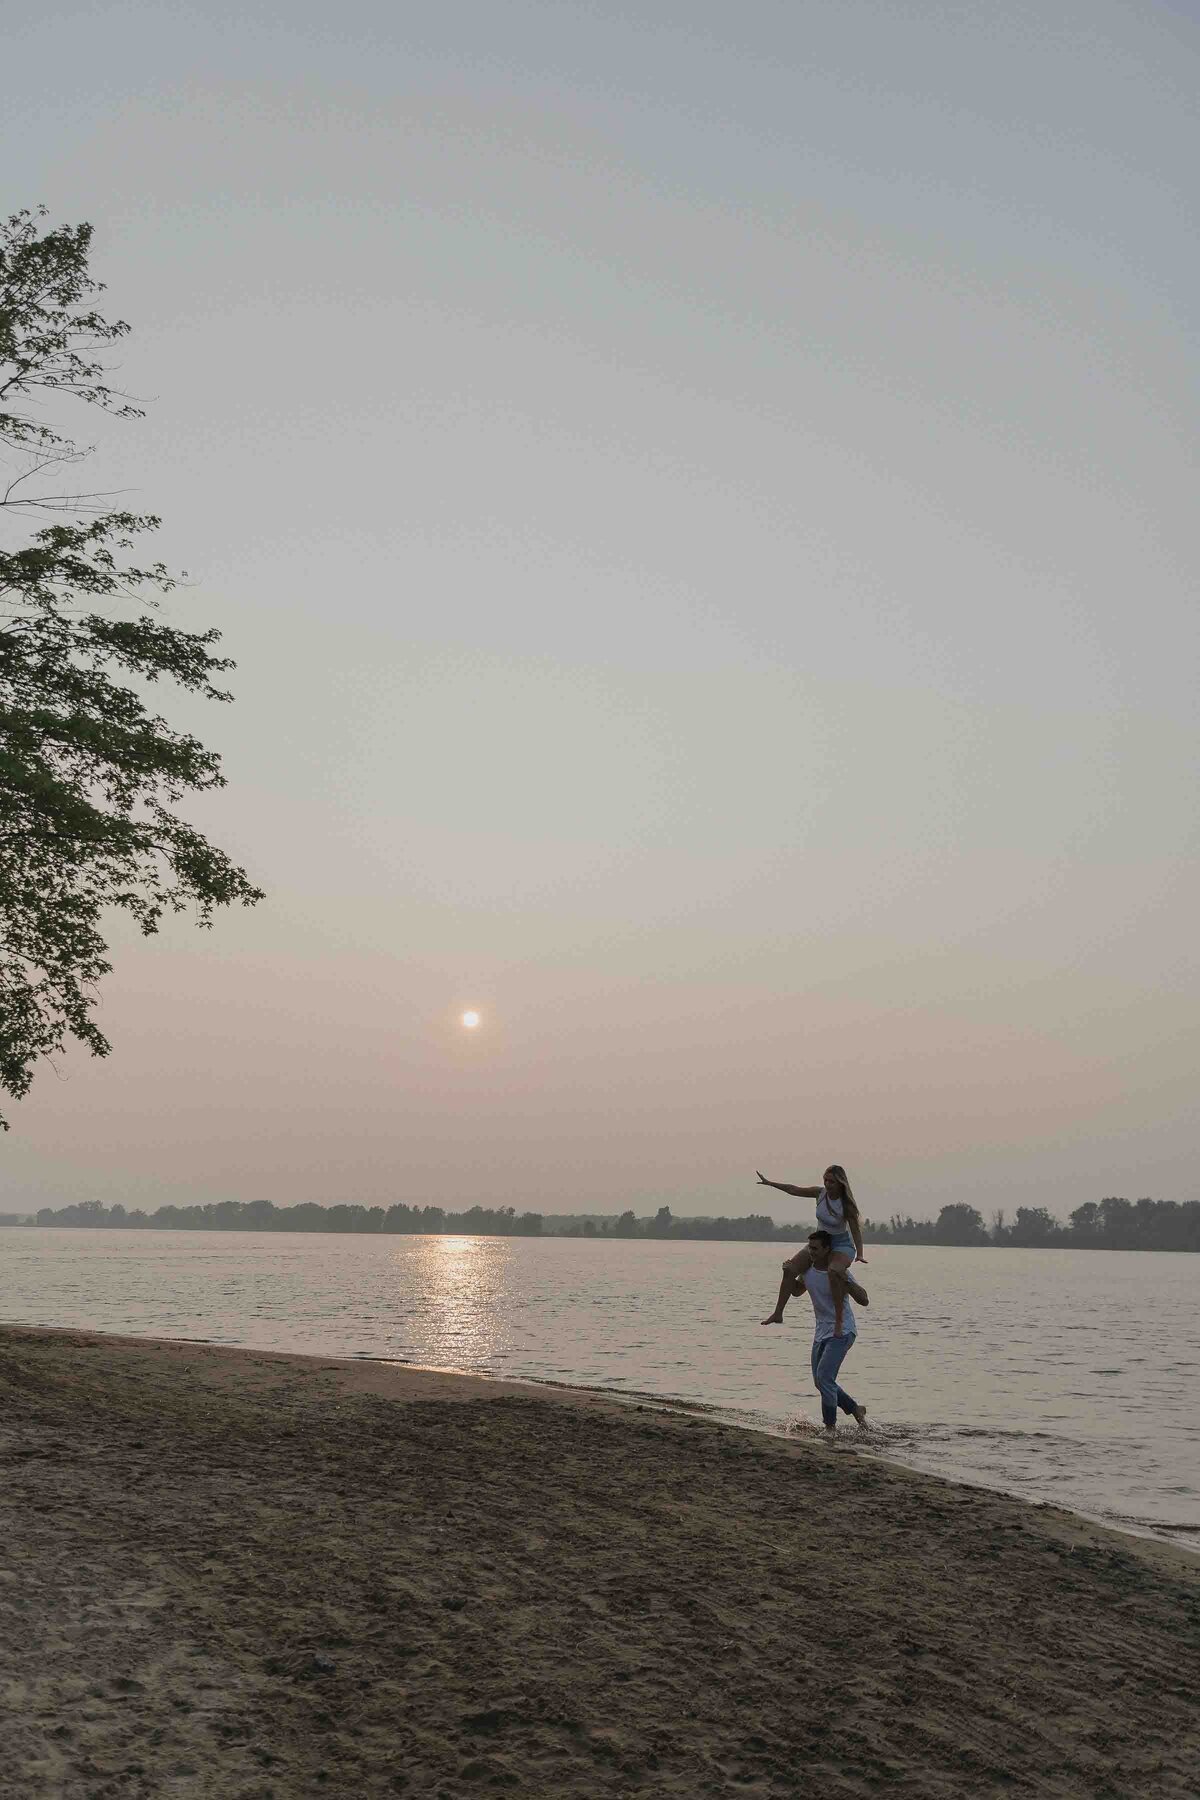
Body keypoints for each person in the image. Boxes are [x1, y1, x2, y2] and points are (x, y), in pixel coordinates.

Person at [758, 1163, 865, 1329]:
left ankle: (838, 1320)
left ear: (840, 1183)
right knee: (790, 1269)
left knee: (834, 1271)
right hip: (819, 1242)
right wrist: (771, 1183)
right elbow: (793, 1189)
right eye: (825, 1180)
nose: (827, 1184)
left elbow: (856, 1231)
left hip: (840, 1245)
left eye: (831, 1182)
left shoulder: (846, 1204)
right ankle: (778, 1313)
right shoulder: (819, 1193)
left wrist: (860, 1253)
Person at [794, 1228, 869, 1435]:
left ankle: (830, 1428)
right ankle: (855, 1409)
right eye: (809, 1248)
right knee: (820, 1382)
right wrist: (788, 1271)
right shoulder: (807, 1271)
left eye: (816, 1249)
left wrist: (845, 1281)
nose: (811, 1252)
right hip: (821, 1333)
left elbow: (864, 1299)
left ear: (827, 1250)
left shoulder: (838, 1271)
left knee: (825, 1378)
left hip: (842, 1330)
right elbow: (796, 1291)